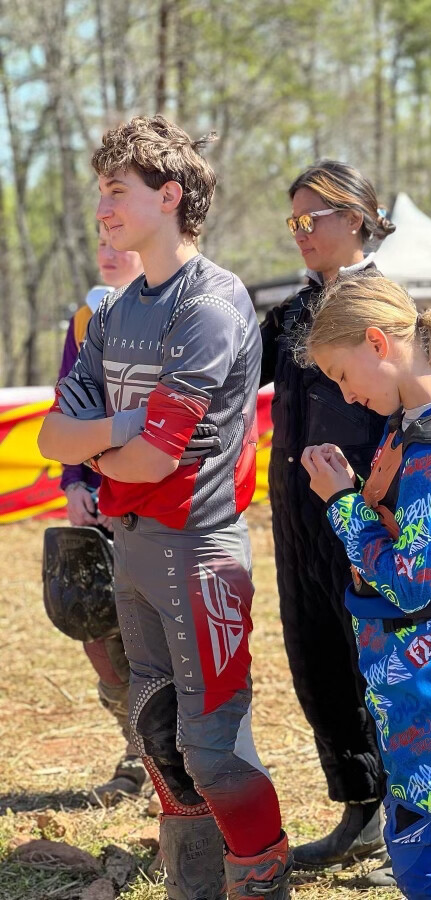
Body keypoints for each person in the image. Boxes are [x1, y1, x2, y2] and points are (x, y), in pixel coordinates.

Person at [38, 115, 291, 900]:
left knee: (213, 748)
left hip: (200, 550)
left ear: (170, 196)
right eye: (101, 191)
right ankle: (194, 886)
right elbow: (53, 436)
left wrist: (105, 446)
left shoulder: (211, 301)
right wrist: (121, 433)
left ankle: (263, 880)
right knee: (157, 735)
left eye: (117, 191)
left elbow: (154, 458)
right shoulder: (114, 311)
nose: (102, 208)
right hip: (133, 544)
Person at [260, 159, 431, 882]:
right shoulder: (291, 315)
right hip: (305, 518)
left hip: (375, 520)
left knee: (390, 675)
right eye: (291, 220)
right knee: (320, 662)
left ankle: (412, 822)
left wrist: (374, 494)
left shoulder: (395, 319)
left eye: (312, 217)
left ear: (357, 219)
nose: (299, 232)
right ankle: (363, 810)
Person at [299, 273, 431, 899]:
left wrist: (340, 502)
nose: (346, 394)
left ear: (378, 343)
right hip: (410, 671)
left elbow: (411, 583)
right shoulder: (409, 427)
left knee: (430, 857)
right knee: (417, 844)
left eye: (341, 374)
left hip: (430, 670)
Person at [53, 231, 146, 805]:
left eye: (120, 242)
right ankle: (137, 746)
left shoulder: (175, 310)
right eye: (101, 242)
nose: (108, 253)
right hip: (94, 498)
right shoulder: (86, 316)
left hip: (149, 497)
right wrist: (72, 484)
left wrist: (125, 488)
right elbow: (68, 404)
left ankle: (161, 762)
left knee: (150, 638)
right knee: (92, 626)